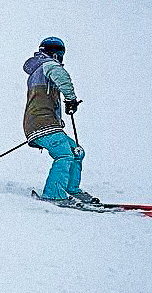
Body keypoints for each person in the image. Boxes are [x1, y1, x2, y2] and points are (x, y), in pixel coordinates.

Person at [23, 37, 97, 206]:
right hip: (42, 123)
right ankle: (54, 195)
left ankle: (71, 189)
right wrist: (71, 99)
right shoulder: (48, 65)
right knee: (64, 155)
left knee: (77, 152)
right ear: (55, 53)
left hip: (46, 123)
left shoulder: (39, 70)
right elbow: (62, 77)